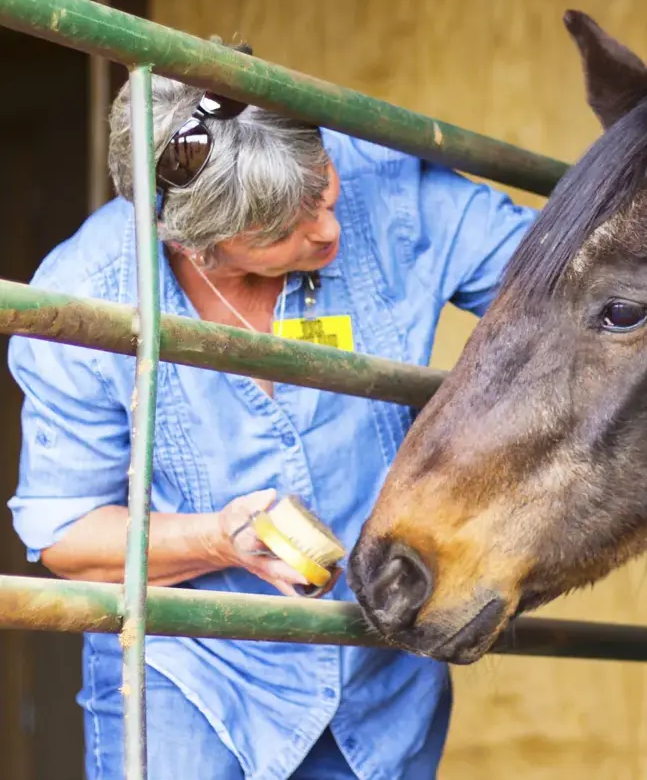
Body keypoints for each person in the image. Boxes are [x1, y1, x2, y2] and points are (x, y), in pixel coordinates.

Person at [5, 44, 539, 780]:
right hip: (194, 675)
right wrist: (221, 539)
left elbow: (568, 286)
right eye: (281, 231)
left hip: (377, 676)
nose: (326, 231)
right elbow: (68, 536)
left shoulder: (391, 190)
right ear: (196, 245)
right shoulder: (85, 297)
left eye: (323, 189)